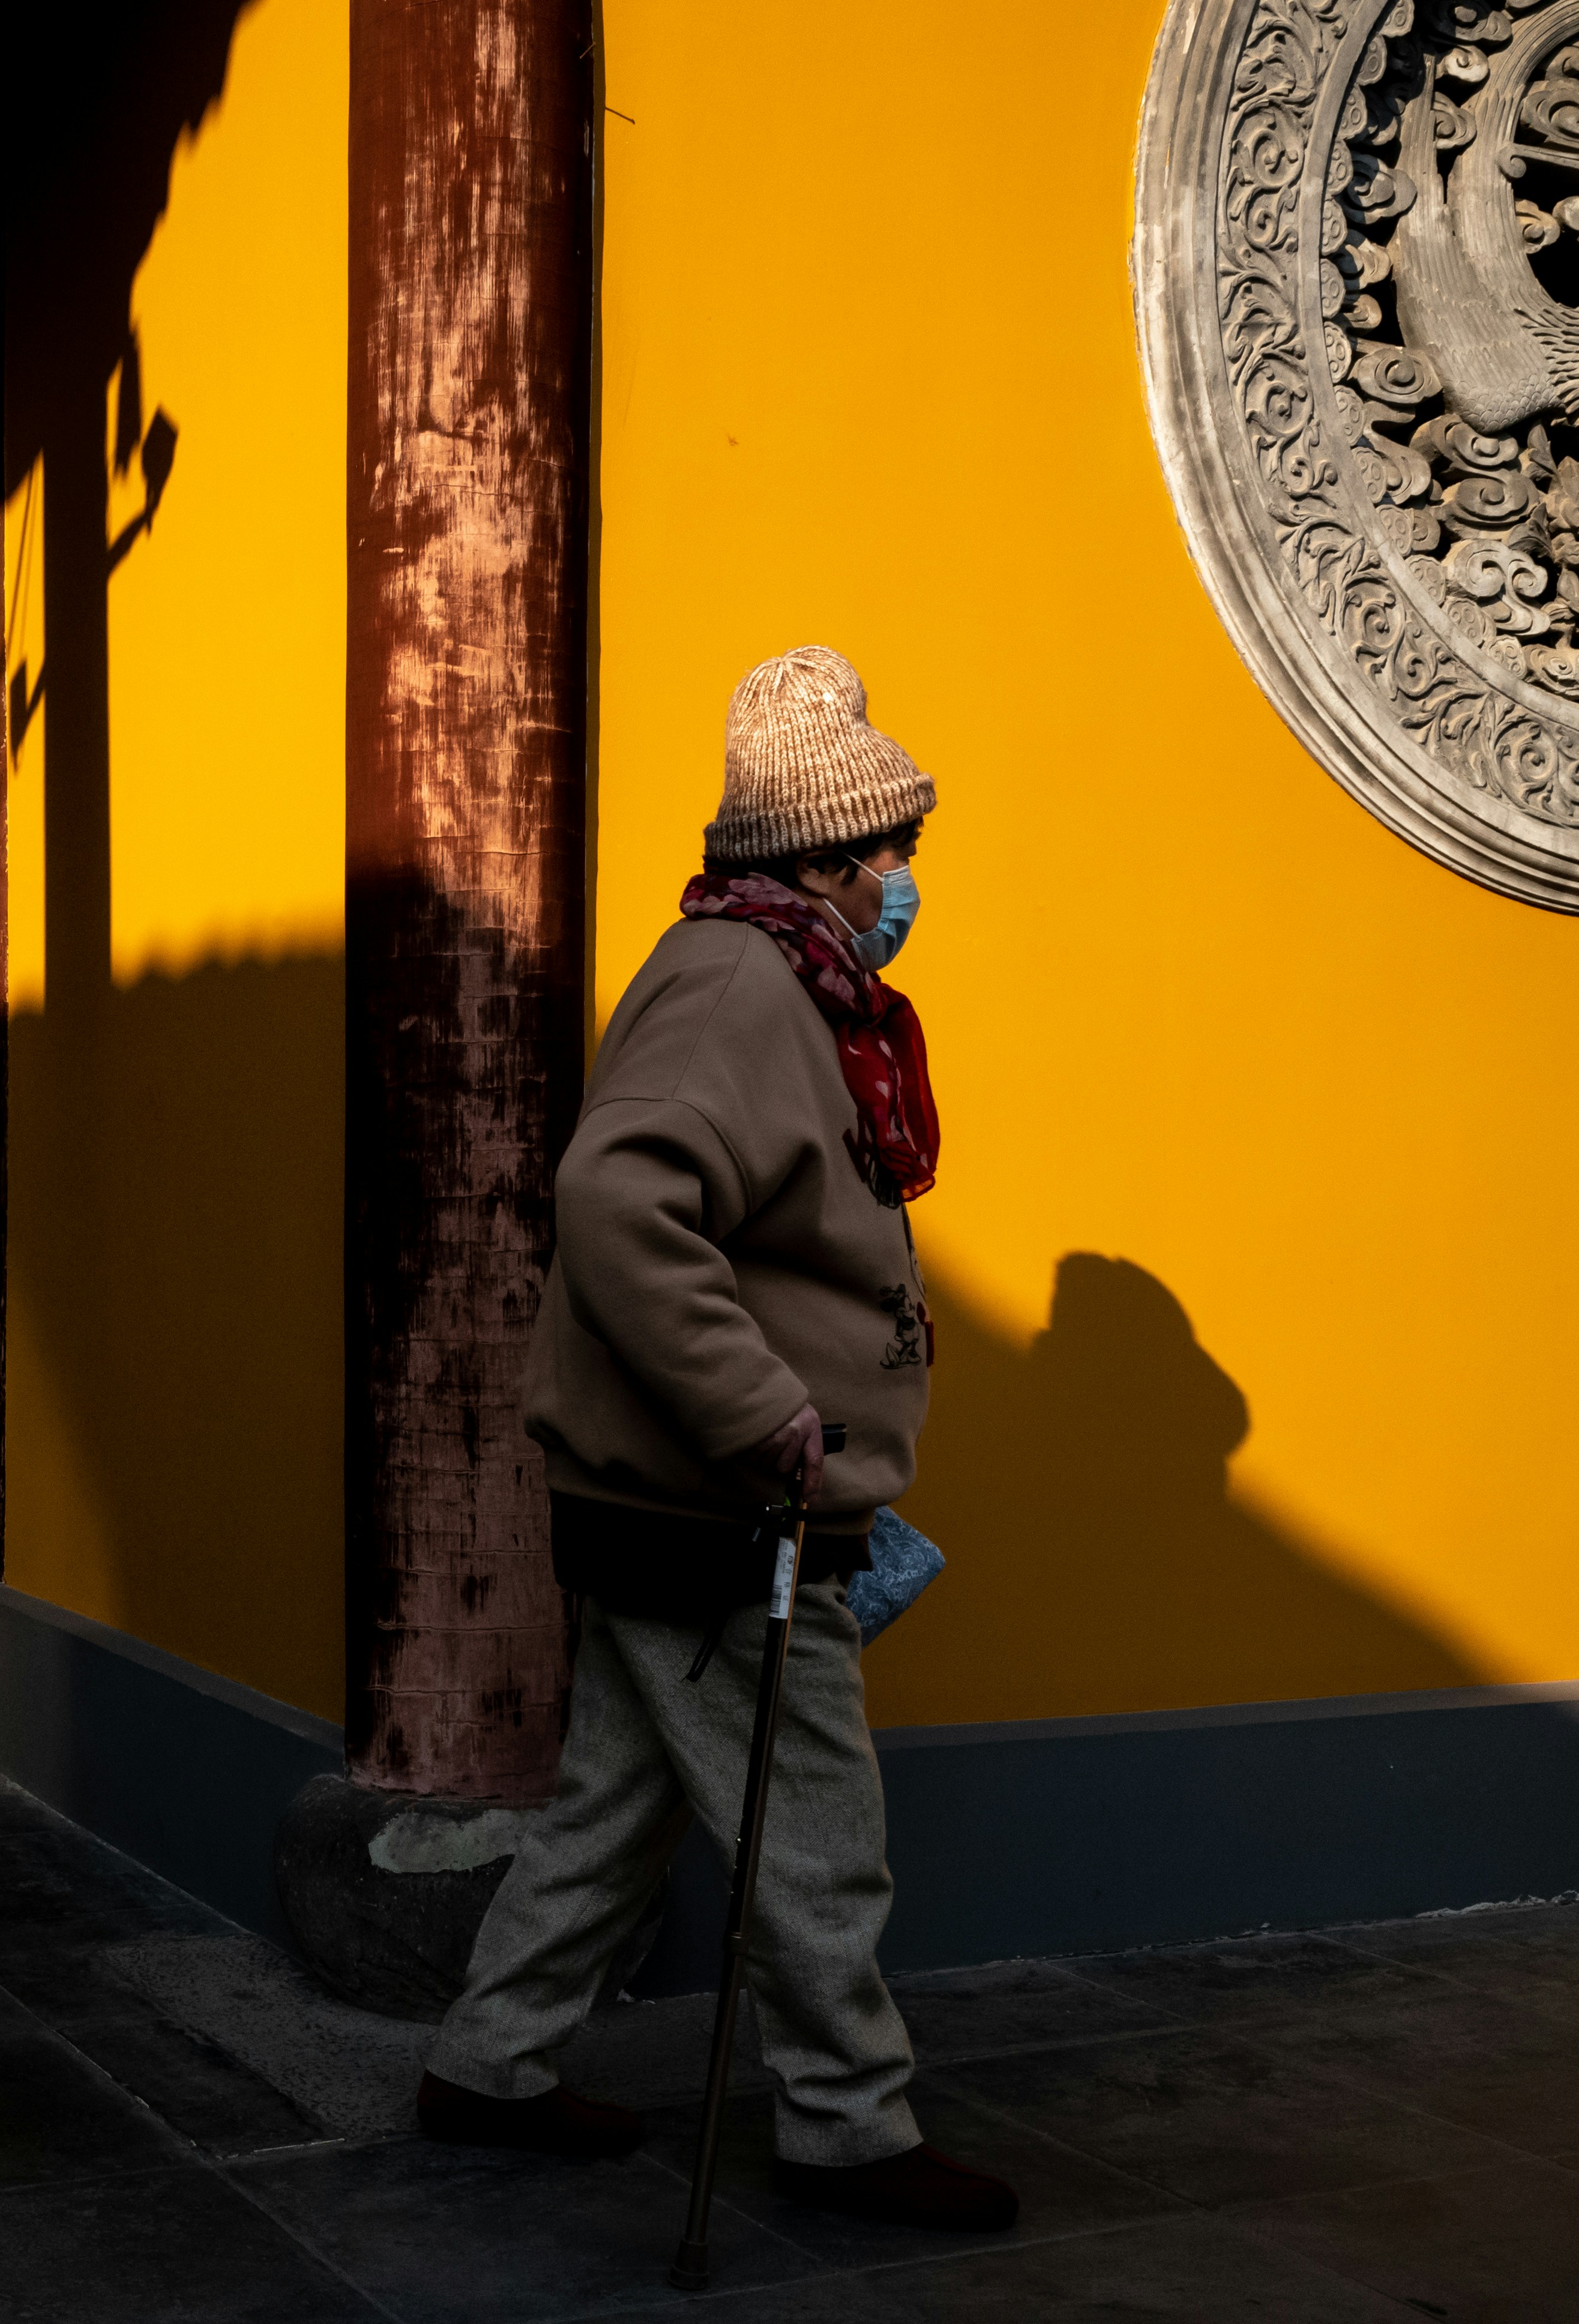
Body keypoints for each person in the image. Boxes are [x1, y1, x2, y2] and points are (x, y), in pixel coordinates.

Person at [412, 643, 1017, 2233]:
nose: (902, 882)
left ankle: (487, 2063)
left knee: (616, 1806)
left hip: (692, 1503)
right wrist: (769, 1414)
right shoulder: (742, 986)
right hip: (720, 1506)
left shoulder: (781, 985)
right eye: (888, 854)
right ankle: (848, 2125)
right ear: (821, 858)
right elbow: (618, 1200)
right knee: (817, 1833)